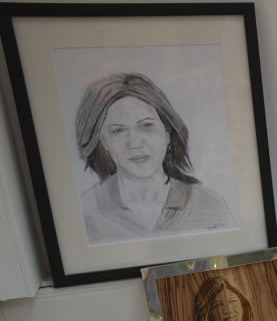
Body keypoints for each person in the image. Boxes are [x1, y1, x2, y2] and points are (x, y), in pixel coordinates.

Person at [75, 72, 235, 244]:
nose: (135, 143)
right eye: (117, 130)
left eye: (146, 126)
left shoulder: (210, 206)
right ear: (101, 142)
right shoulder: (86, 211)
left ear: (168, 133)